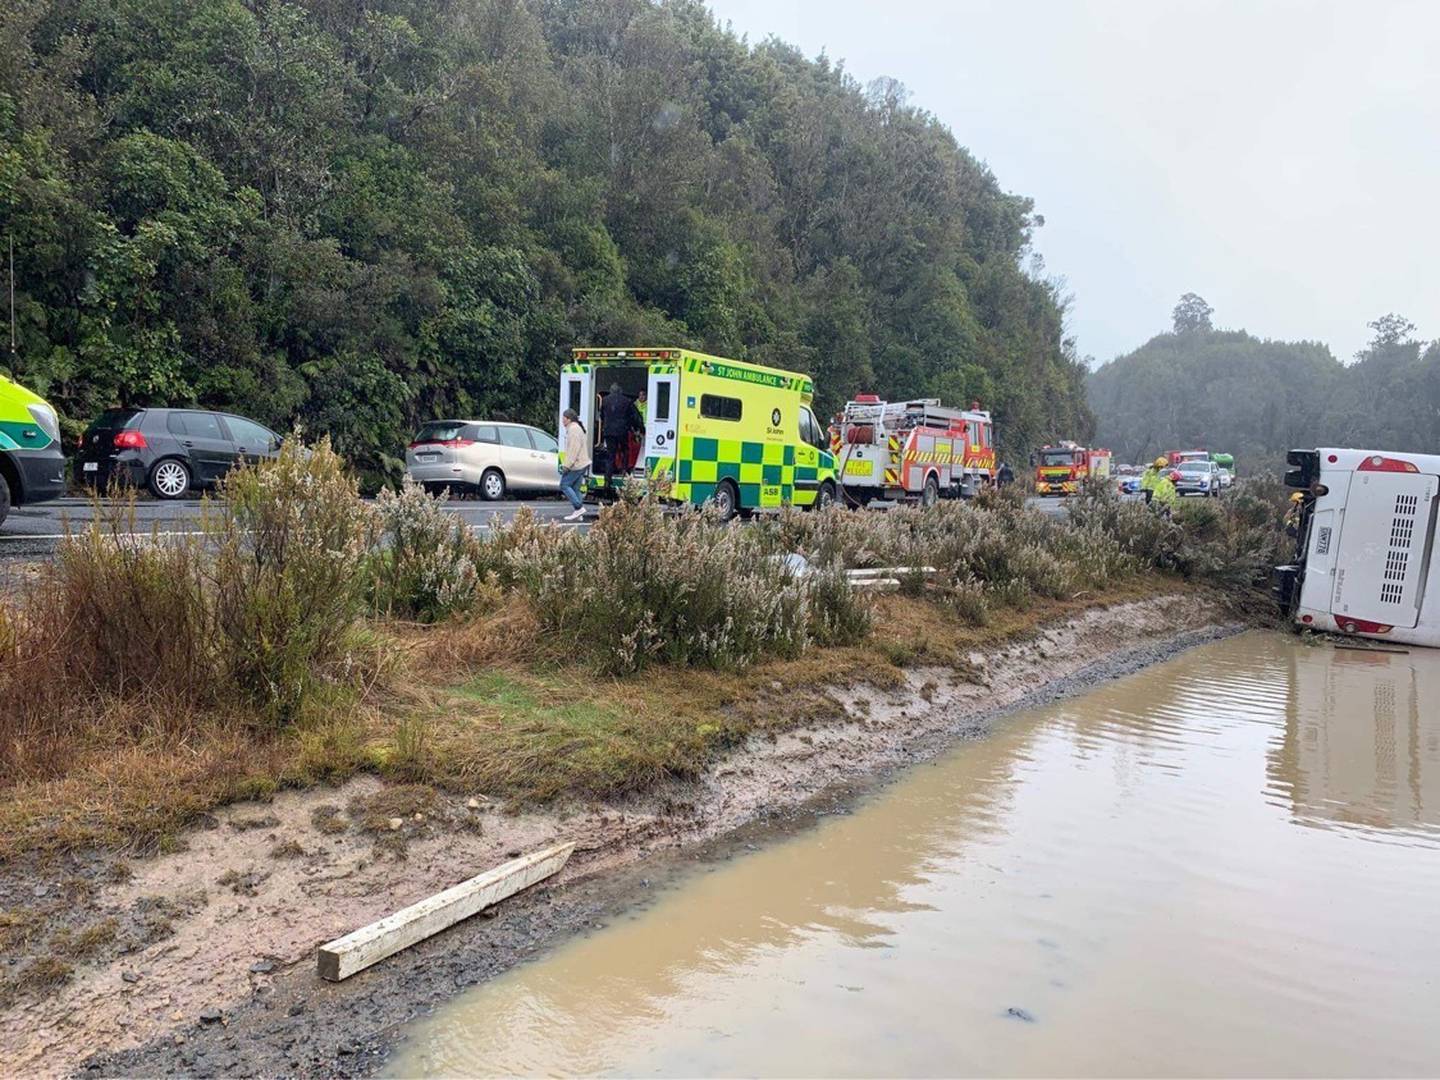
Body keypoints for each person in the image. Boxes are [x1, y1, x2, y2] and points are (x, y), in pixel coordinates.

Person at [599, 382, 642, 490]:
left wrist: (606, 426)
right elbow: (634, 417)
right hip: (622, 431)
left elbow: (602, 416)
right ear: (620, 391)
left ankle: (607, 481)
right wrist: (640, 428)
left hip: (609, 432)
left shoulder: (604, 401)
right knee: (625, 450)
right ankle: (624, 472)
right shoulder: (627, 401)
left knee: (610, 456)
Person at [559, 408, 591, 521]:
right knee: (575, 488)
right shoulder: (576, 429)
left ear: (568, 419)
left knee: (564, 485)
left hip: (576, 464)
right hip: (582, 463)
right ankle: (579, 514)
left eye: (563, 418)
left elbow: (573, 449)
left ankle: (579, 508)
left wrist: (567, 465)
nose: (562, 421)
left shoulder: (573, 430)